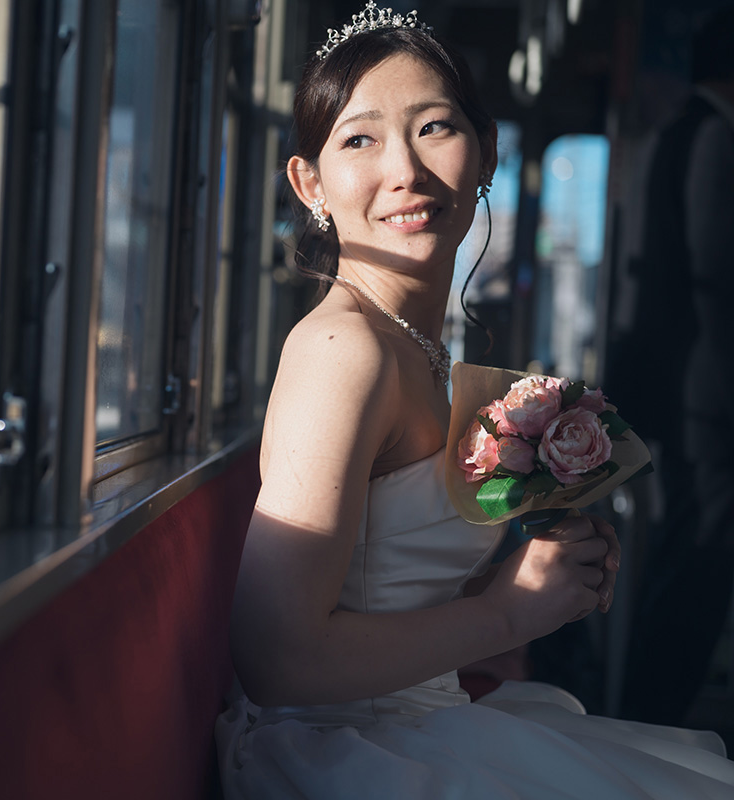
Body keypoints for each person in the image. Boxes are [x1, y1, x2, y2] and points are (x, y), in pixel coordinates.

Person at [215, 4, 734, 797]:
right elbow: (275, 659)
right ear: (309, 182)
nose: (406, 172)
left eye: (433, 128)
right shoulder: (342, 351)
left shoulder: (421, 350)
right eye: (360, 138)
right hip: (347, 755)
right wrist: (505, 614)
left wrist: (551, 556)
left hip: (428, 722)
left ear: (485, 153)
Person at [616, 8, 734, 728]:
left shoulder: (672, 135)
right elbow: (713, 277)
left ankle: (648, 713)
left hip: (680, 385)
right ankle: (651, 719)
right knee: (702, 555)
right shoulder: (714, 138)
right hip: (706, 391)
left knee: (691, 552)